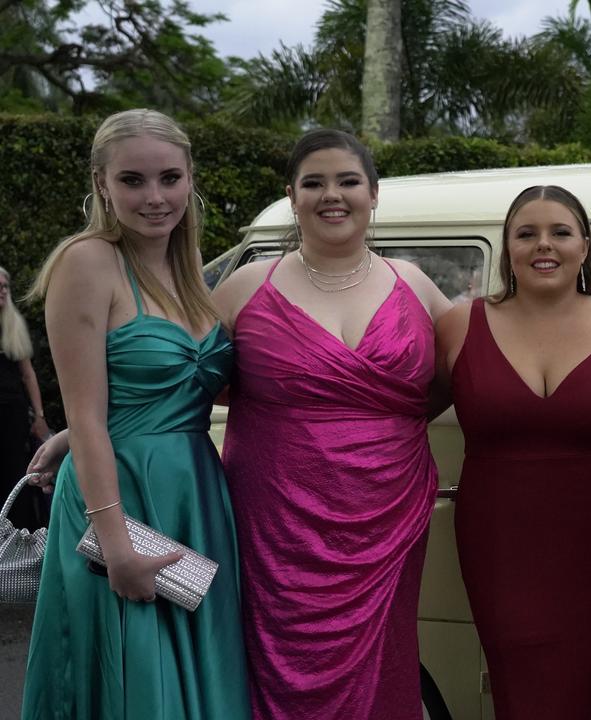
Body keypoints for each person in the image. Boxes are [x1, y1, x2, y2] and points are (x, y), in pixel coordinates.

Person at [211, 129, 452, 719]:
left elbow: (475, 372)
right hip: (275, 525)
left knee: (385, 667)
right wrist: (82, 433)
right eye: (313, 183)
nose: (331, 195)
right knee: (275, 666)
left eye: (347, 181)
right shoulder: (244, 287)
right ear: (292, 196)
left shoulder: (415, 284)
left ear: (373, 193)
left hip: (389, 519)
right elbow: (178, 388)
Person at [21, 109, 251, 719]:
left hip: (195, 494)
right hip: (117, 499)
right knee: (137, 679)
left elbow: (162, 390)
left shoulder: (191, 273)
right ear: (101, 183)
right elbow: (90, 414)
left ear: (190, 178)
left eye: (170, 178)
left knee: (199, 676)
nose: (155, 197)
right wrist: (117, 545)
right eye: (133, 181)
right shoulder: (88, 261)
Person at [434, 185, 591, 719]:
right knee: (520, 682)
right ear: (507, 248)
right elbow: (396, 417)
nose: (542, 245)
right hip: (499, 547)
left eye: (560, 232)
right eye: (526, 234)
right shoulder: (459, 326)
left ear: (584, 246)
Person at [0, 265, 50, 530]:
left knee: (15, 470)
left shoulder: (13, 326)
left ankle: (19, 533)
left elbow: (28, 375)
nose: (2, 291)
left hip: (12, 413)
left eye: (5, 287)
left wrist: (39, 415)